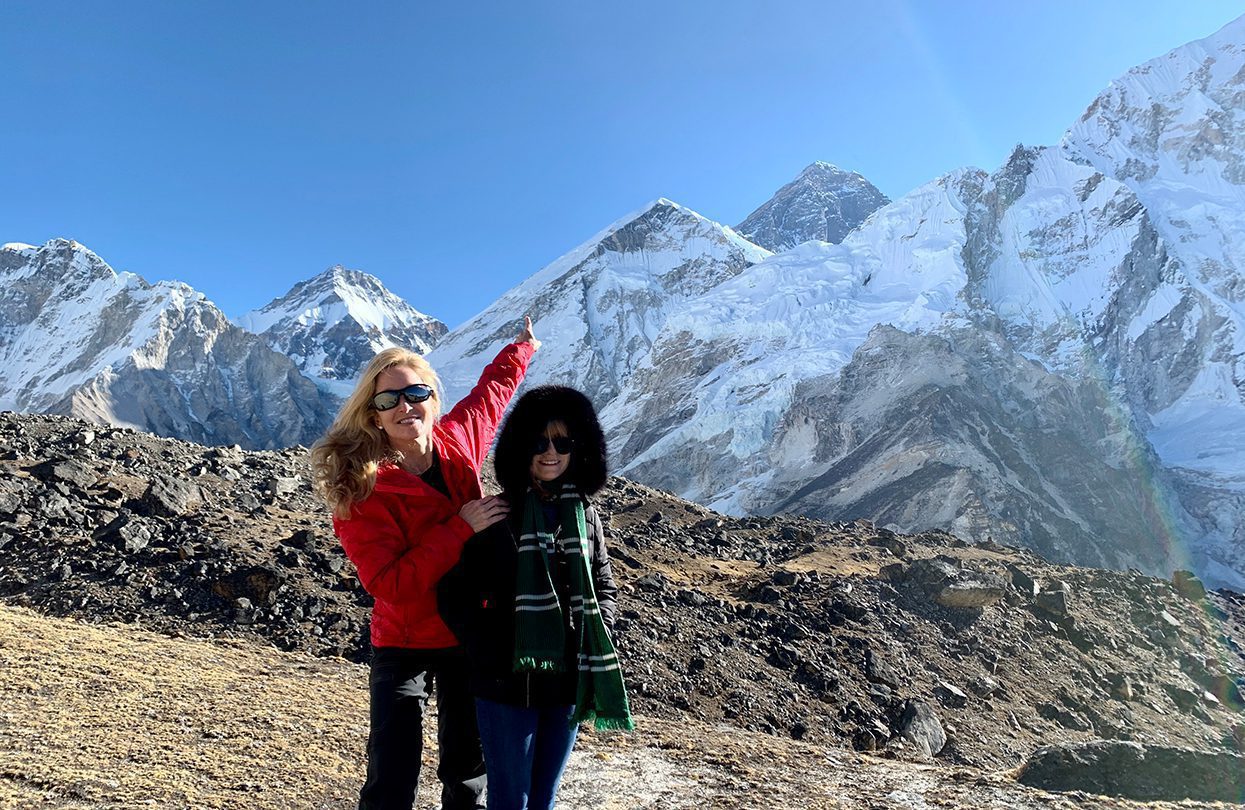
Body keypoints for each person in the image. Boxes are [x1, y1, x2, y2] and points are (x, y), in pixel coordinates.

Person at [310, 318, 540, 810]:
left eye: (415, 392)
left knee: (467, 770)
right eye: (388, 399)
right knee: (392, 772)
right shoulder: (362, 488)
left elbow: (492, 394)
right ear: (373, 415)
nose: (404, 406)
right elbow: (389, 583)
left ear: (433, 398)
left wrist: (521, 349)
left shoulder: (459, 440)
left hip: (467, 633)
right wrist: (461, 526)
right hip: (405, 639)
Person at [438, 385, 634, 810]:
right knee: (511, 799)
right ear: (519, 447)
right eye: (539, 441)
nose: (551, 453)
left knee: (543, 796)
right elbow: (453, 594)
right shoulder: (494, 514)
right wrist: (487, 647)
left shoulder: (584, 514)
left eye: (563, 442)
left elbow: (604, 584)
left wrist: (598, 632)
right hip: (503, 683)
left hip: (566, 681)